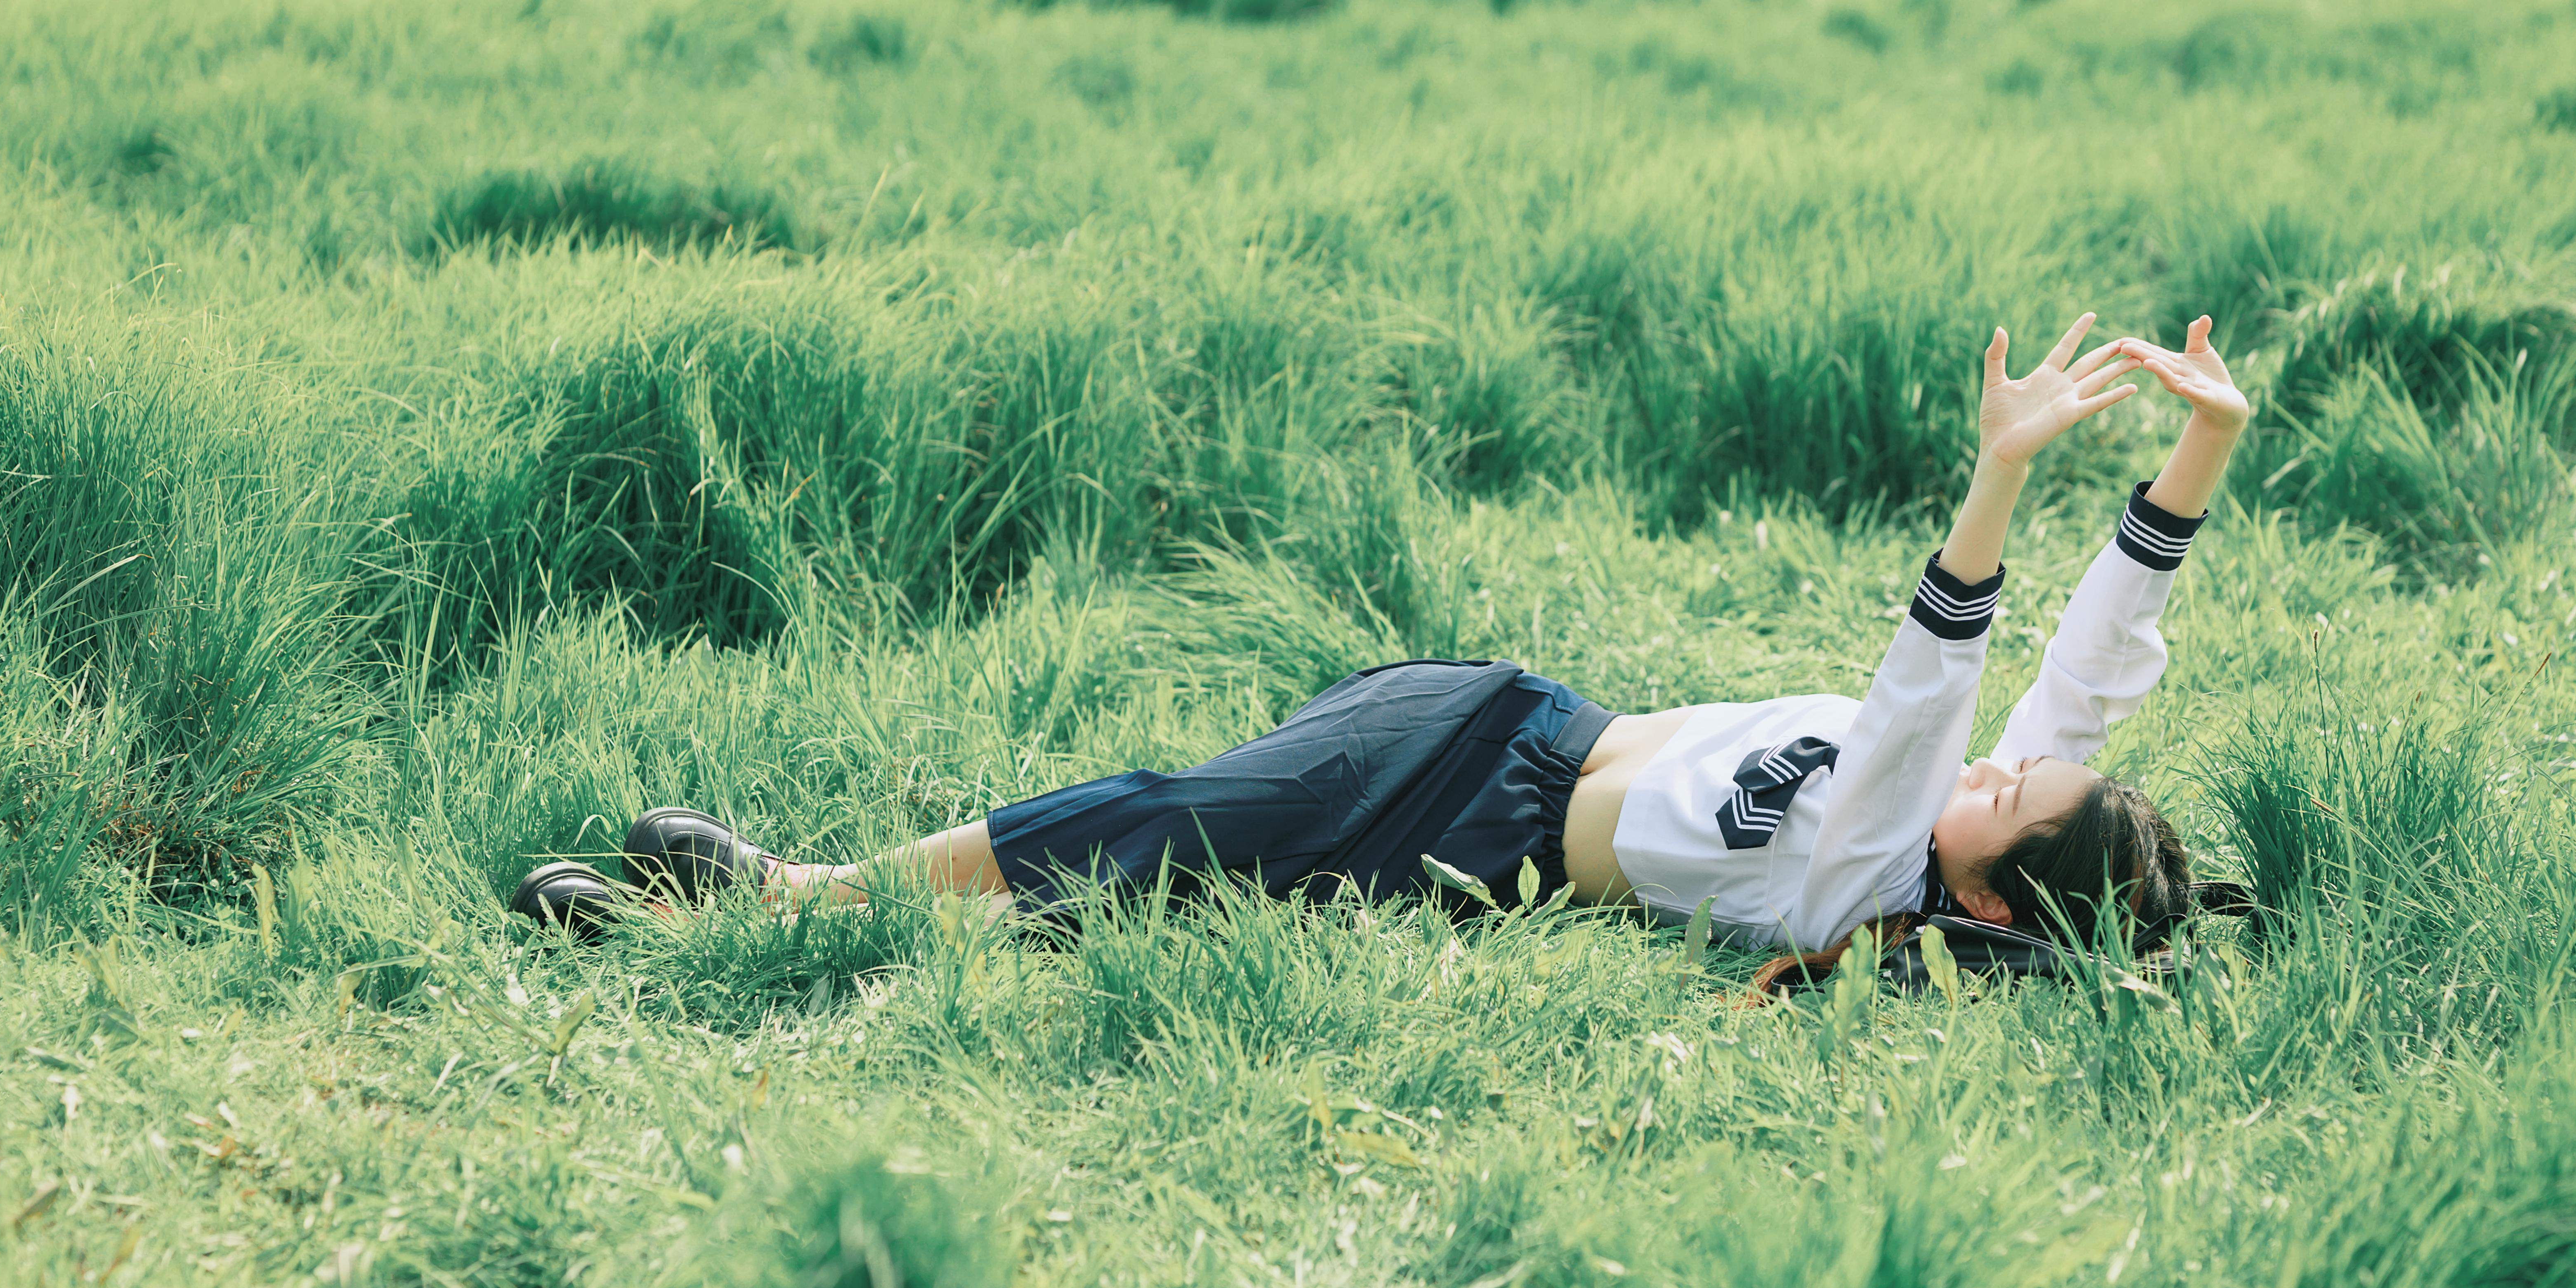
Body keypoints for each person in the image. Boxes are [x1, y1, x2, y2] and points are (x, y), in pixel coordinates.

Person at [512, 313, 2252, 964]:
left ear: (1996, 894)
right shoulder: (1991, 807)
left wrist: (1996, 473)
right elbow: (2099, 660)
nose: (2009, 763)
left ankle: (753, 912)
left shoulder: (1873, 869)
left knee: (1153, 864)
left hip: (1480, 838)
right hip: (1504, 715)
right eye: (2027, 771)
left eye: (2011, 799)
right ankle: (787, 902)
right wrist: (2206, 442)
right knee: (1165, 834)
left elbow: (1928, 674)